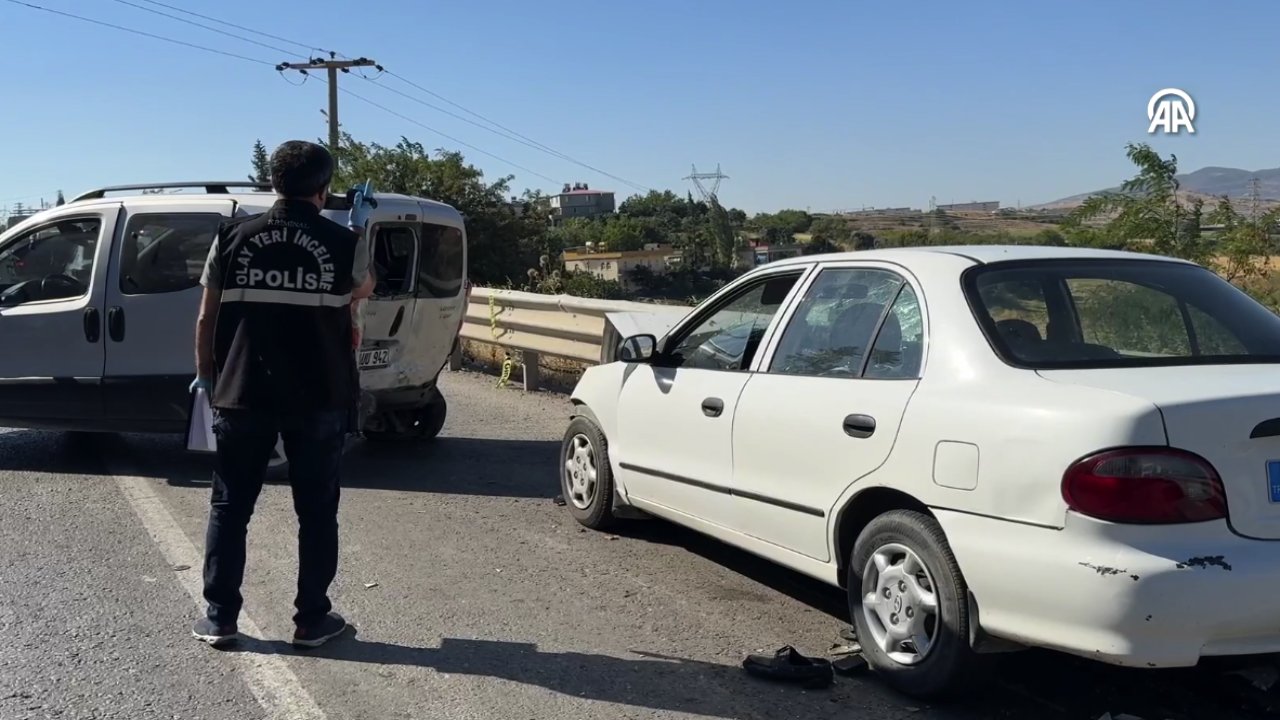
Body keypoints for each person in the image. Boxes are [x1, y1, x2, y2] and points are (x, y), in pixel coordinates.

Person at [189, 140, 375, 649]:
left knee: (230, 507)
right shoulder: (343, 242)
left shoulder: (231, 237)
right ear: (324, 188)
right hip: (319, 395)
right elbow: (364, 288)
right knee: (316, 510)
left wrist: (207, 376)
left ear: (273, 183)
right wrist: (355, 229)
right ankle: (312, 621)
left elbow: (206, 317)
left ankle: (221, 617)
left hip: (241, 390)